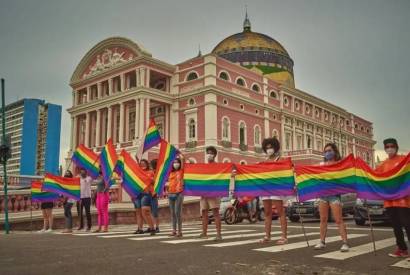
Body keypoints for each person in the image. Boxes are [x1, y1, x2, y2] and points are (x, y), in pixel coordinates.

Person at [375, 138, 410, 258]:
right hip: (389, 201)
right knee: (396, 226)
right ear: (384, 149)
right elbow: (375, 177)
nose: (390, 148)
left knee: (407, 224)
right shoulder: (383, 164)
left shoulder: (404, 160)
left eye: (392, 146)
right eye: (387, 146)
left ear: (396, 147)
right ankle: (402, 249)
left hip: (403, 200)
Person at [314, 143, 349, 252]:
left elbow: (345, 177)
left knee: (338, 219)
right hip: (323, 196)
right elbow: (313, 174)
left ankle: (345, 243)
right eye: (325, 151)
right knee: (323, 219)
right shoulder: (321, 165)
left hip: (334, 195)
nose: (327, 153)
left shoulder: (339, 165)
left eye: (329, 150)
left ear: (334, 151)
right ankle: (322, 242)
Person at [259, 137, 288, 245]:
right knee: (267, 212)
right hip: (266, 188)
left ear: (275, 148)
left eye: (271, 147)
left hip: (276, 188)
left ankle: (284, 236)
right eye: (267, 148)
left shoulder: (280, 160)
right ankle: (267, 236)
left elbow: (286, 172)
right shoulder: (264, 161)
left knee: (280, 212)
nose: (269, 149)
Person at [199, 146, 223, 241]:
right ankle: (204, 233)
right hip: (204, 193)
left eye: (211, 153)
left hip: (214, 193)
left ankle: (219, 234)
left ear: (214, 155)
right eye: (208, 153)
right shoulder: (204, 167)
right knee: (204, 212)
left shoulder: (218, 166)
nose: (209, 154)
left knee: (215, 213)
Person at [133, 159, 156, 235]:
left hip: (146, 193)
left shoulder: (150, 172)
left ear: (147, 164)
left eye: (144, 163)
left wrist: (149, 178)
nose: (142, 165)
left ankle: (152, 228)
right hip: (137, 194)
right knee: (138, 212)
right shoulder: (137, 173)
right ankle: (140, 229)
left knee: (145, 211)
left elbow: (154, 182)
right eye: (141, 164)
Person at [166, 155, 185, 237]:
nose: (175, 164)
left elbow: (183, 160)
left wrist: (180, 155)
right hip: (170, 194)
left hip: (179, 194)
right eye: (174, 162)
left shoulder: (181, 171)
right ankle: (174, 231)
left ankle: (180, 231)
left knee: (177, 212)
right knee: (172, 213)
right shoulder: (171, 173)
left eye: (177, 162)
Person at [150, 159, 160, 233]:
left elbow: (157, 183)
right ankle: (153, 226)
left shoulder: (157, 173)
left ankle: (157, 227)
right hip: (149, 193)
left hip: (153, 193)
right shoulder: (152, 172)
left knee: (154, 212)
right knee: (151, 212)